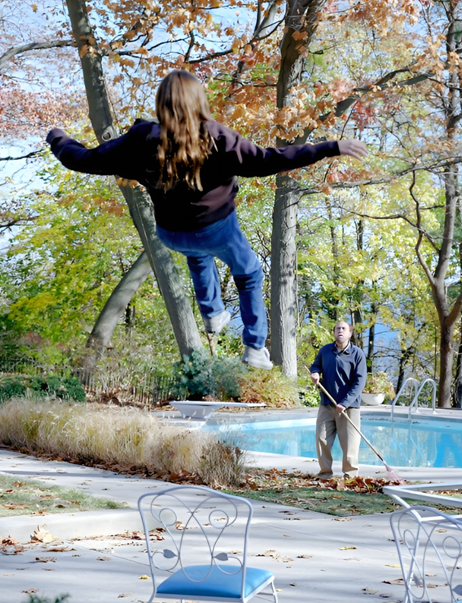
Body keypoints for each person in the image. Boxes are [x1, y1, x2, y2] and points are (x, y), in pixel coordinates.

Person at [46, 70, 368, 369]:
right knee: (250, 272)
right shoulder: (217, 138)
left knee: (197, 256)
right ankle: (255, 349)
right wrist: (331, 147)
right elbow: (269, 160)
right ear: (200, 101)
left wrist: (58, 138)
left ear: (161, 104)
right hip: (217, 229)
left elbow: (83, 159)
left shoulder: (140, 140)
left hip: (171, 232)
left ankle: (213, 315)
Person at [310, 321, 366, 479]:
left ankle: (350, 476)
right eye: (337, 329)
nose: (340, 331)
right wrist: (315, 373)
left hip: (349, 407)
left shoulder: (357, 354)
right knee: (322, 439)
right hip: (327, 404)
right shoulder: (325, 350)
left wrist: (345, 402)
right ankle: (325, 474)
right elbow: (316, 365)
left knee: (350, 445)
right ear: (333, 332)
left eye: (343, 329)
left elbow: (359, 383)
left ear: (350, 333)